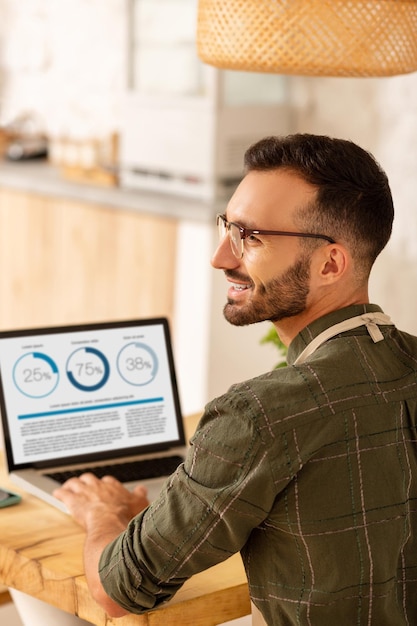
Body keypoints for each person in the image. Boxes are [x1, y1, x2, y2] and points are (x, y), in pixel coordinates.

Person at [53, 133, 417, 626]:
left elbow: (119, 590)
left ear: (330, 263)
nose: (221, 256)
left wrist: (104, 512)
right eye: (227, 226)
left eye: (251, 236)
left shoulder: (260, 415)